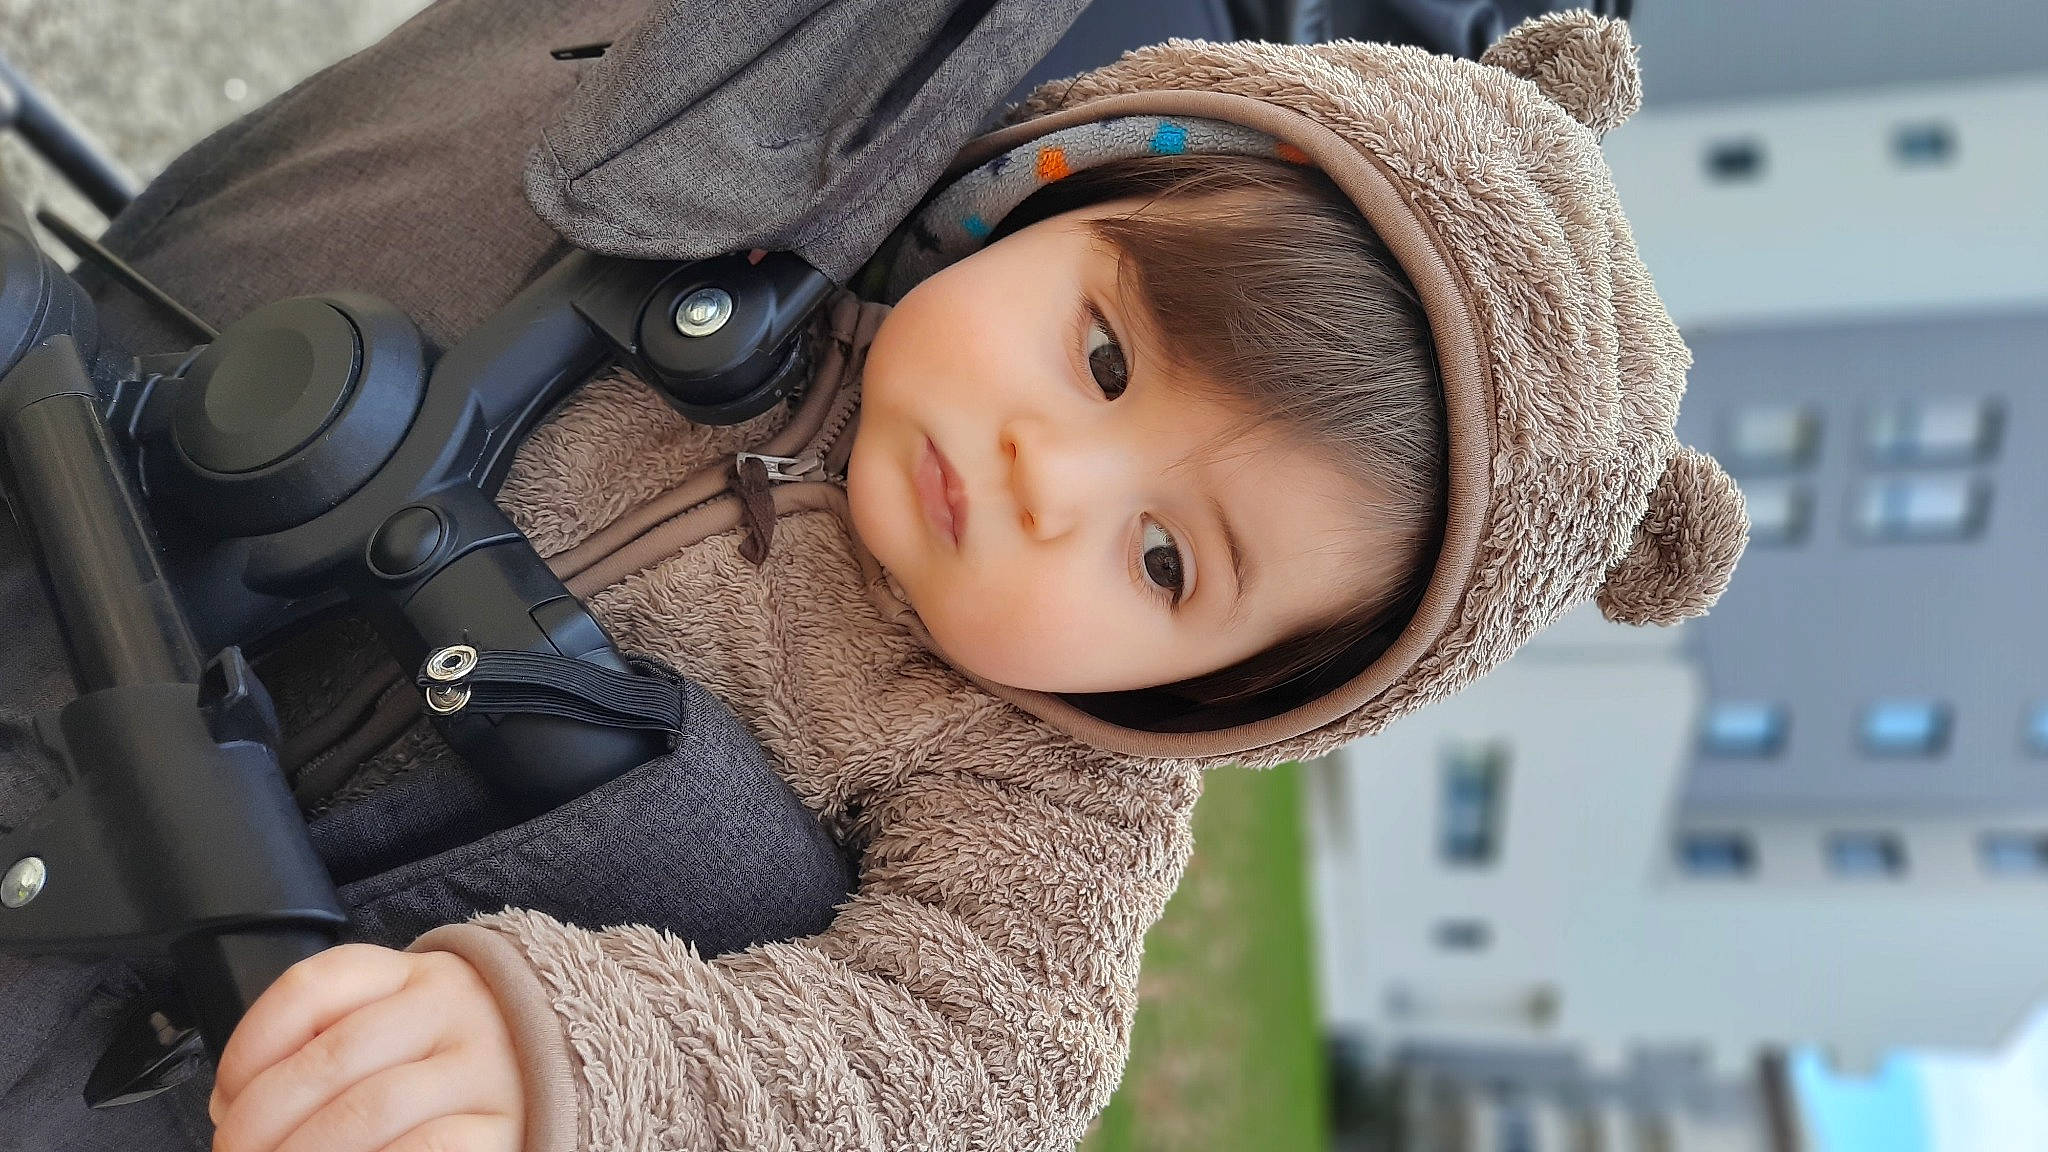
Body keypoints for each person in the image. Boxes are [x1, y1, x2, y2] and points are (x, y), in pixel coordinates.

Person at [23, 12, 1752, 1152]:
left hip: (202, 950)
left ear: (1227, 691)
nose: (1047, 476)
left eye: (1163, 559)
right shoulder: (751, 211)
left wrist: (573, 1051)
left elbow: (979, 1063)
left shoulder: (1040, 787)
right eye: (1102, 358)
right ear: (1034, 199)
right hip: (93, 519)